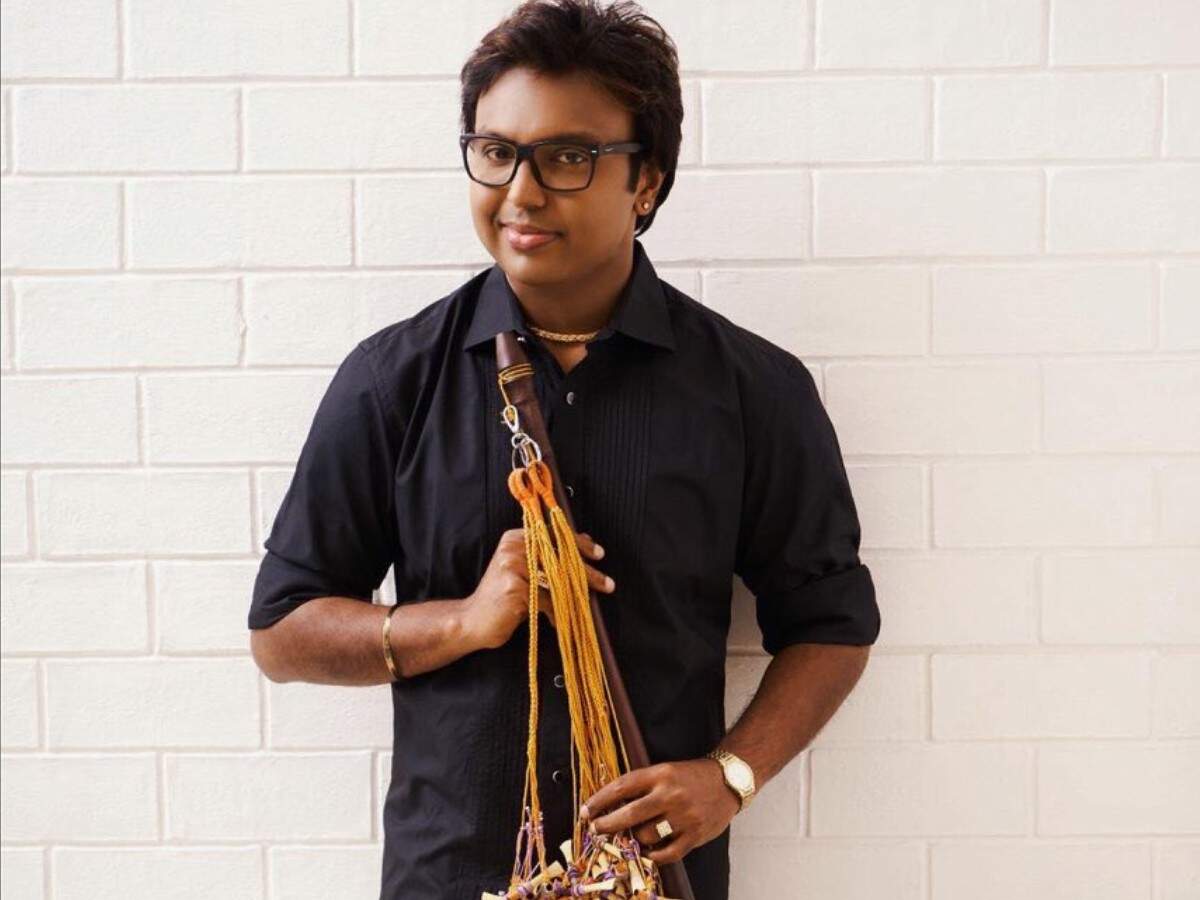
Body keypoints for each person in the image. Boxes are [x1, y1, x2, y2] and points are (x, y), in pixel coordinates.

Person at [247, 1, 880, 898]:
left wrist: (731, 777)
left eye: (568, 157)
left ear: (647, 180)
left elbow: (832, 624)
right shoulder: (392, 379)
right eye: (496, 152)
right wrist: (463, 621)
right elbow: (282, 631)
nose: (521, 192)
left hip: (653, 879)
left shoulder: (754, 389)